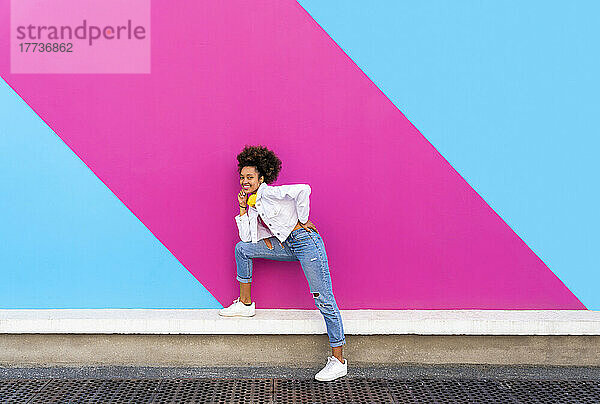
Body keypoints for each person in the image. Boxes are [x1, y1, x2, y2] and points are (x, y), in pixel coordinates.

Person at [219, 144, 347, 382]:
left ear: (261, 177)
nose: (245, 181)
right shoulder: (254, 202)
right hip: (287, 244)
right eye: (242, 177)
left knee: (323, 298)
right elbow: (247, 238)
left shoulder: (268, 193)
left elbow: (303, 190)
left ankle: (338, 361)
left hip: (306, 241)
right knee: (242, 249)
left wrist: (303, 220)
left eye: (250, 177)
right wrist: (243, 207)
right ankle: (246, 304)